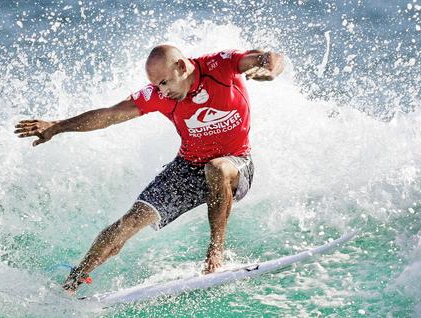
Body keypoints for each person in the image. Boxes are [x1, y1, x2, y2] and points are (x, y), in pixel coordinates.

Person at [14, 44, 285, 293]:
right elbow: (108, 115)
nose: (162, 91)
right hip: (188, 167)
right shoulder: (158, 94)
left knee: (216, 169)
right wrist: (57, 126)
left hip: (237, 163)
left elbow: (269, 58)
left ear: (181, 66)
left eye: (165, 82)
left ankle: (215, 254)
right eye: (157, 85)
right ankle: (74, 281)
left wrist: (270, 69)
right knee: (129, 222)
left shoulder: (220, 66)